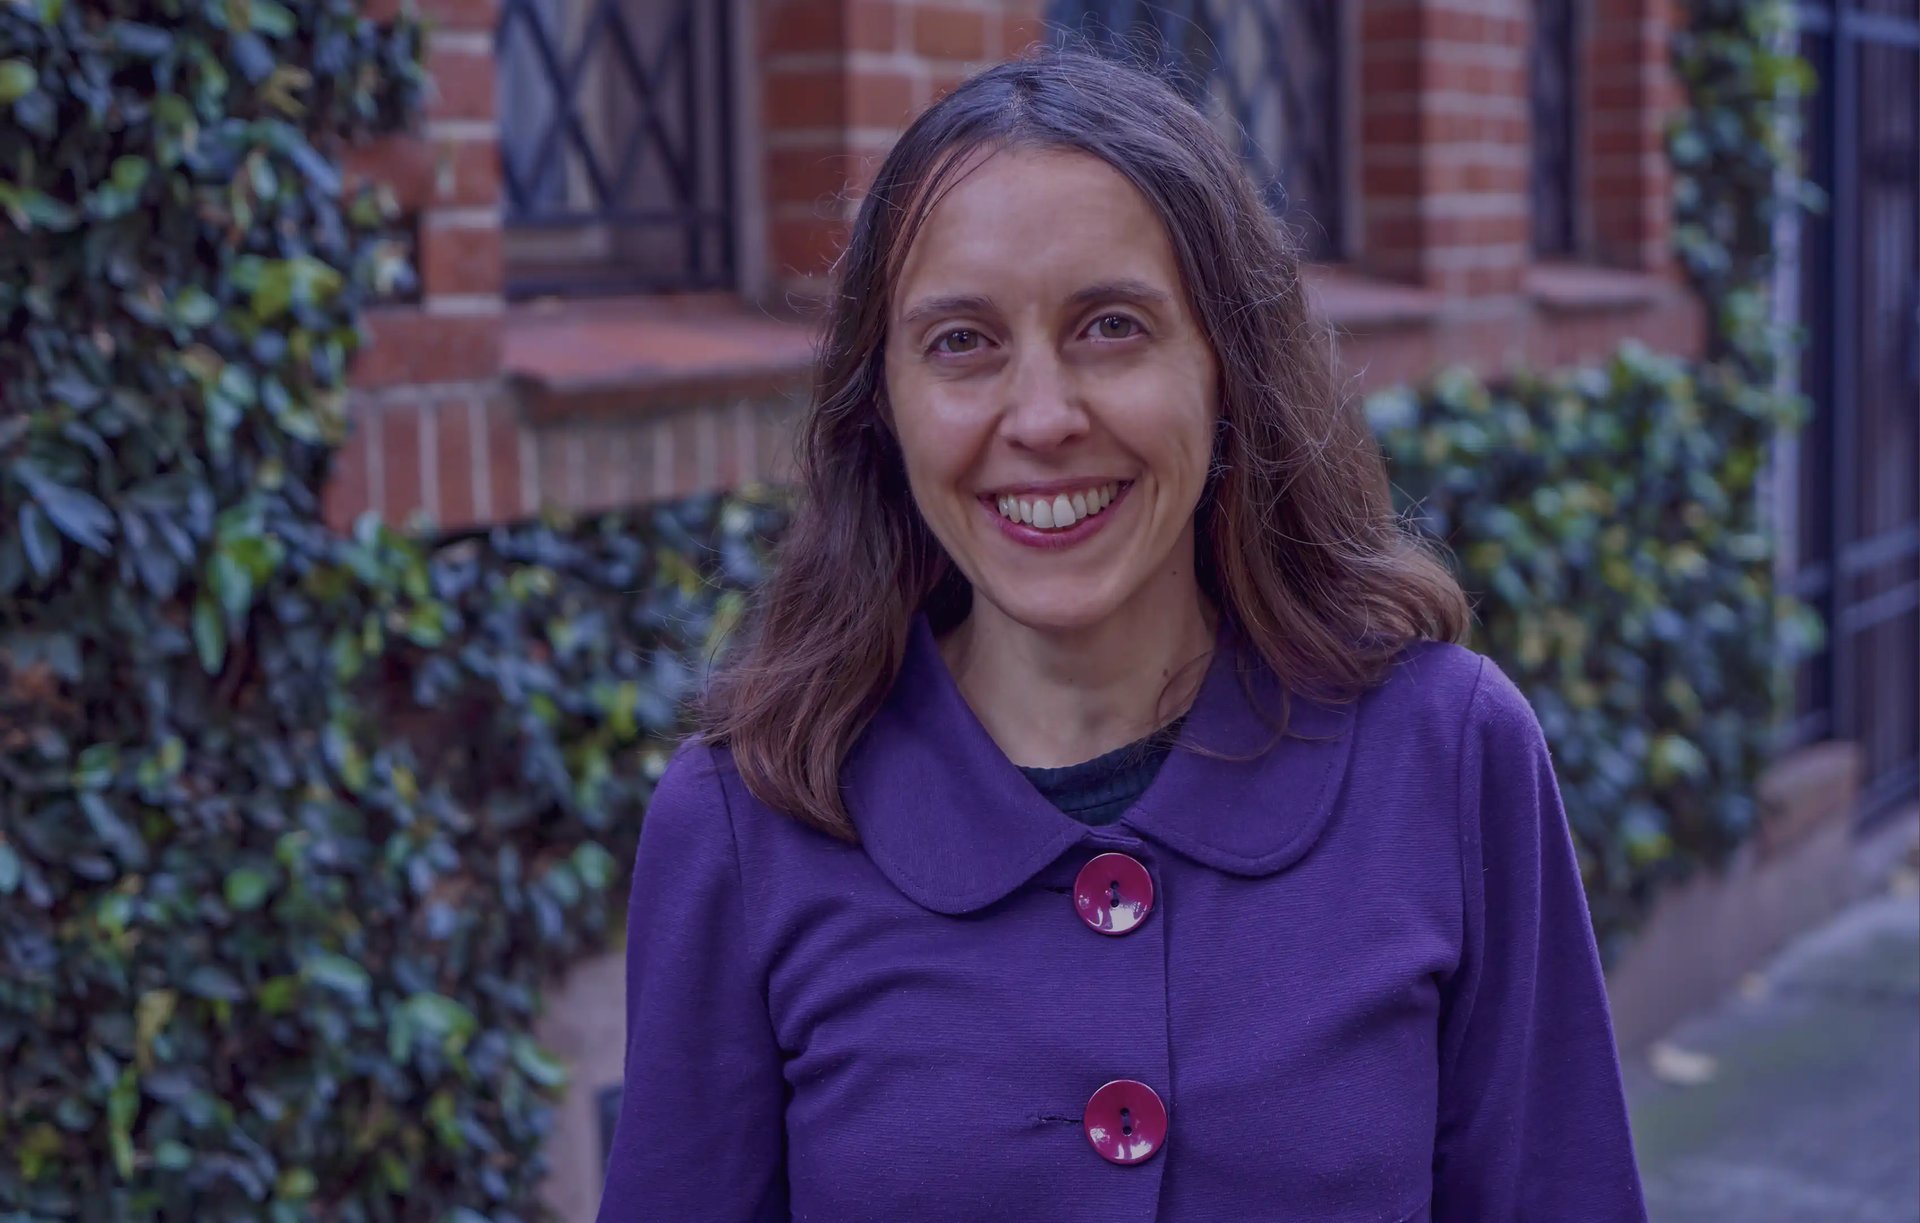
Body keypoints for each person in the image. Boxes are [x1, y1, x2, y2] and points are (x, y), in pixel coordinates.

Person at [595, 47, 1646, 1223]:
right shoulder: (749, 820)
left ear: (1226, 371)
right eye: (961, 341)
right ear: (879, 405)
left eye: (1111, 327)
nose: (1042, 417)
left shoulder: (1449, 755)